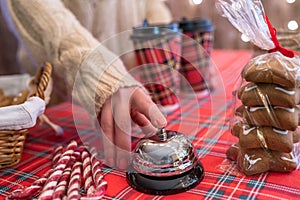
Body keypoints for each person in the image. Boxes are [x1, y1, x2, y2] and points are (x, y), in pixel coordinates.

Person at [0, 0, 172, 169]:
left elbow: (154, 8)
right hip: (54, 105)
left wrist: (161, 44)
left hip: (131, 93)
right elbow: (53, 25)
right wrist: (105, 75)